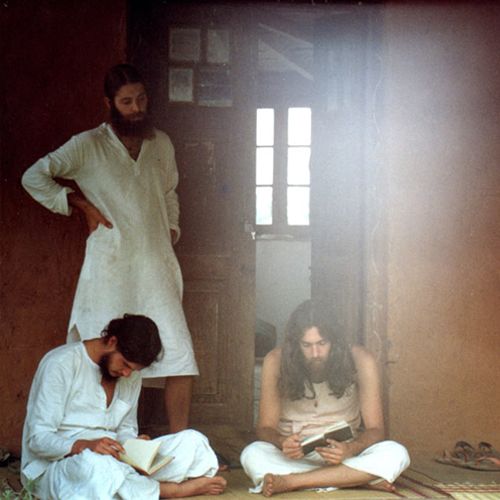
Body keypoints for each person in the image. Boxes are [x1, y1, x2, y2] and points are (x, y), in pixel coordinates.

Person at [21, 63, 197, 433]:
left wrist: (171, 229)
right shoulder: (88, 145)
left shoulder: (160, 142)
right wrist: (76, 203)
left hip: (155, 265)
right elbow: (34, 176)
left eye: (141, 99)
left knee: (178, 356)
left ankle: (181, 442)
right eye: (127, 101)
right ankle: (92, 437)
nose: (136, 108)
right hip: (109, 266)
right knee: (101, 353)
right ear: (110, 103)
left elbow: (169, 192)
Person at [21, 314, 226, 499]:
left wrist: (137, 447)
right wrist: (85, 445)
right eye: (126, 364)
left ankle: (133, 488)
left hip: (115, 458)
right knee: (98, 467)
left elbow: (125, 429)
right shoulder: (61, 364)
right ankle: (169, 491)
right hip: (59, 466)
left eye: (134, 370)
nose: (128, 374)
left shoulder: (130, 376)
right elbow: (38, 439)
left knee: (193, 441)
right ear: (112, 341)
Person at [241, 300, 410, 497]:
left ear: (335, 341)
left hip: (344, 457)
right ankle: (353, 481)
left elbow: (376, 429)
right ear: (295, 345)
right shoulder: (276, 360)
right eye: (306, 345)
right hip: (293, 459)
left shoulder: (361, 359)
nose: (315, 353)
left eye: (322, 343)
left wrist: (350, 448)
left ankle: (292, 482)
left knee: (396, 453)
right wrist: (282, 441)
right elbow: (264, 428)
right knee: (252, 454)